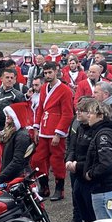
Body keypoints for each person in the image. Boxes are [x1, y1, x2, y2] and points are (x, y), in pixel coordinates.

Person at [31, 62, 74, 201]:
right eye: (46, 73)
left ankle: (59, 189)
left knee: (56, 161)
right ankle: (44, 187)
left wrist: (59, 133)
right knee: (37, 159)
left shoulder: (65, 90)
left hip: (56, 131)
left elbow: (68, 114)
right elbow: (40, 109)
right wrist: (36, 127)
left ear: (57, 72)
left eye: (50, 72)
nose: (48, 75)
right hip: (44, 128)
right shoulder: (43, 88)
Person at [76, 99, 112, 220]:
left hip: (105, 190)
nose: (88, 116)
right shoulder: (104, 131)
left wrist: (90, 174)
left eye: (91, 113)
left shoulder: (103, 135)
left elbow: (107, 164)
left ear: (100, 116)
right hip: (108, 188)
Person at [0, 102, 35, 185]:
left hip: (17, 178)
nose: (7, 116)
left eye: (10, 113)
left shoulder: (22, 136)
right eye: (6, 113)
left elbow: (18, 161)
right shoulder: (8, 133)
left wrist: (0, 177)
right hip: (10, 176)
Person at [0, 67, 25, 132]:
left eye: (12, 78)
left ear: (14, 80)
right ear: (1, 79)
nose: (9, 80)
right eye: (7, 77)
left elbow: (22, 115)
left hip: (9, 128)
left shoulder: (19, 95)